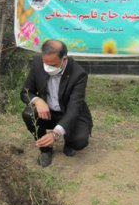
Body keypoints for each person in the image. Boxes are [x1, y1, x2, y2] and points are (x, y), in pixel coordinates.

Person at [21, 39, 93, 167]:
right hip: (47, 112)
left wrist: (55, 134)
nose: (48, 68)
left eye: (53, 64)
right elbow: (26, 92)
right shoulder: (38, 64)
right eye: (45, 63)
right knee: (29, 113)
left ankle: (69, 142)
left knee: (79, 140)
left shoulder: (78, 74)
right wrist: (38, 100)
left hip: (68, 114)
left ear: (64, 59)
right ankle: (46, 150)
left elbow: (74, 109)